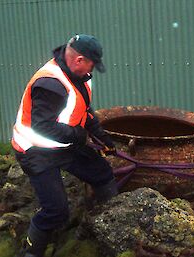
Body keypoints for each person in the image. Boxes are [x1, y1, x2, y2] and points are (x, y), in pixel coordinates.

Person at [11, 34, 118, 257]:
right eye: (91, 64)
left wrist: (101, 137)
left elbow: (83, 111)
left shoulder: (81, 77)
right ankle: (30, 252)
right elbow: (42, 127)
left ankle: (110, 224)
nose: (93, 70)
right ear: (79, 59)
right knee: (56, 211)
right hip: (36, 151)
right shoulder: (51, 84)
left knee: (103, 173)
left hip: (64, 144)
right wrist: (79, 136)